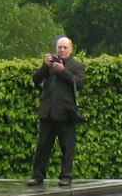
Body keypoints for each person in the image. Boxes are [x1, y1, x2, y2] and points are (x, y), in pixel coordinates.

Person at [30, 36, 85, 187]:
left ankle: (66, 176)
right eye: (59, 47)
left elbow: (79, 83)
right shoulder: (50, 65)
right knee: (42, 147)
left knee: (67, 147)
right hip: (47, 112)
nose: (62, 50)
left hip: (66, 113)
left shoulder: (76, 65)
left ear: (71, 49)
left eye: (65, 48)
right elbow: (36, 80)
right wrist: (45, 66)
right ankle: (38, 176)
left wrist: (63, 71)